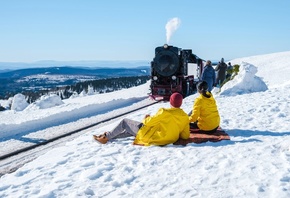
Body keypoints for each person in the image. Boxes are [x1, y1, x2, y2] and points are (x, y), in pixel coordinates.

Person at [93, 92, 190, 146]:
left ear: (170, 102)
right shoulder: (185, 117)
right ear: (181, 103)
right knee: (131, 130)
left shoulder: (164, 112)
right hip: (169, 139)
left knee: (125, 122)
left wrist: (146, 118)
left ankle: (106, 137)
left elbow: (148, 123)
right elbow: (185, 136)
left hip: (154, 137)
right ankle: (107, 137)